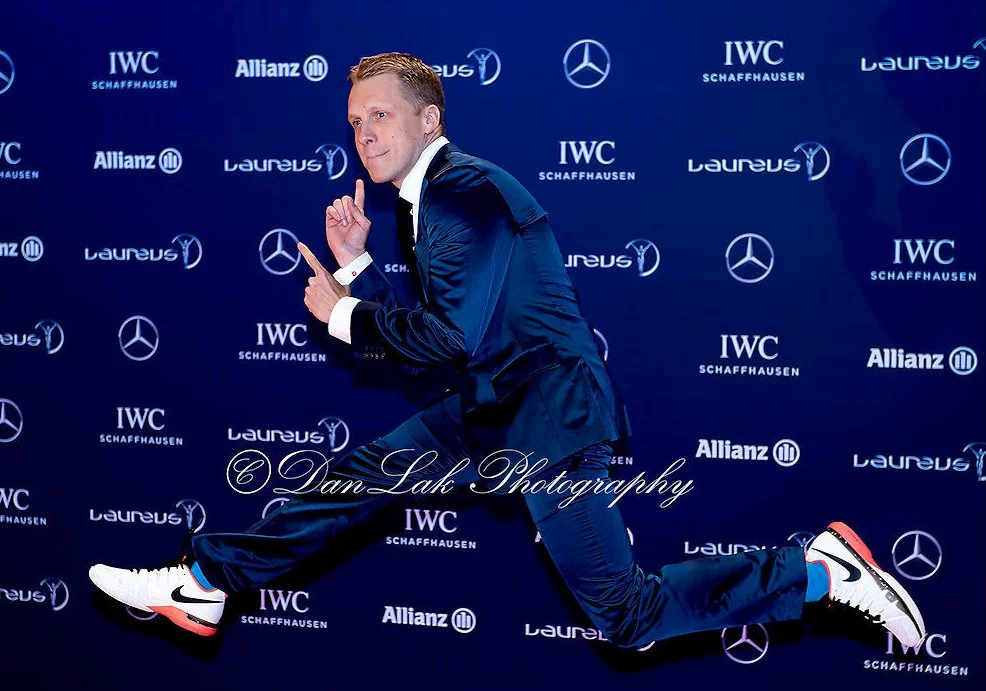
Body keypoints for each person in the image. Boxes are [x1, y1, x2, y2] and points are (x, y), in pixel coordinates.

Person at [89, 52, 926, 650]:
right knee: (356, 480)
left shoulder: (463, 193)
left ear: (429, 118)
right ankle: (206, 582)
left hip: (547, 419)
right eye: (354, 122)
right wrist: (356, 269)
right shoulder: (432, 199)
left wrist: (344, 314)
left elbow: (447, 339)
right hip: (496, 404)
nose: (365, 134)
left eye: (381, 115)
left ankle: (815, 571)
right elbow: (456, 335)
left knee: (626, 616)